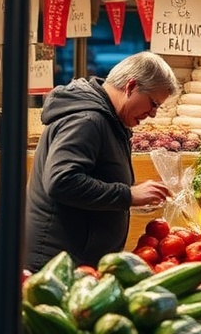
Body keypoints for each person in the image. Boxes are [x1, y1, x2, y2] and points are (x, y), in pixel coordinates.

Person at [25, 52, 179, 270]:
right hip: (59, 264)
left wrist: (130, 192)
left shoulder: (109, 118)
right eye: (153, 103)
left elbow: (92, 174)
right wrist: (127, 195)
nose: (153, 114)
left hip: (76, 260)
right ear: (131, 86)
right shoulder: (87, 120)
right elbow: (62, 181)